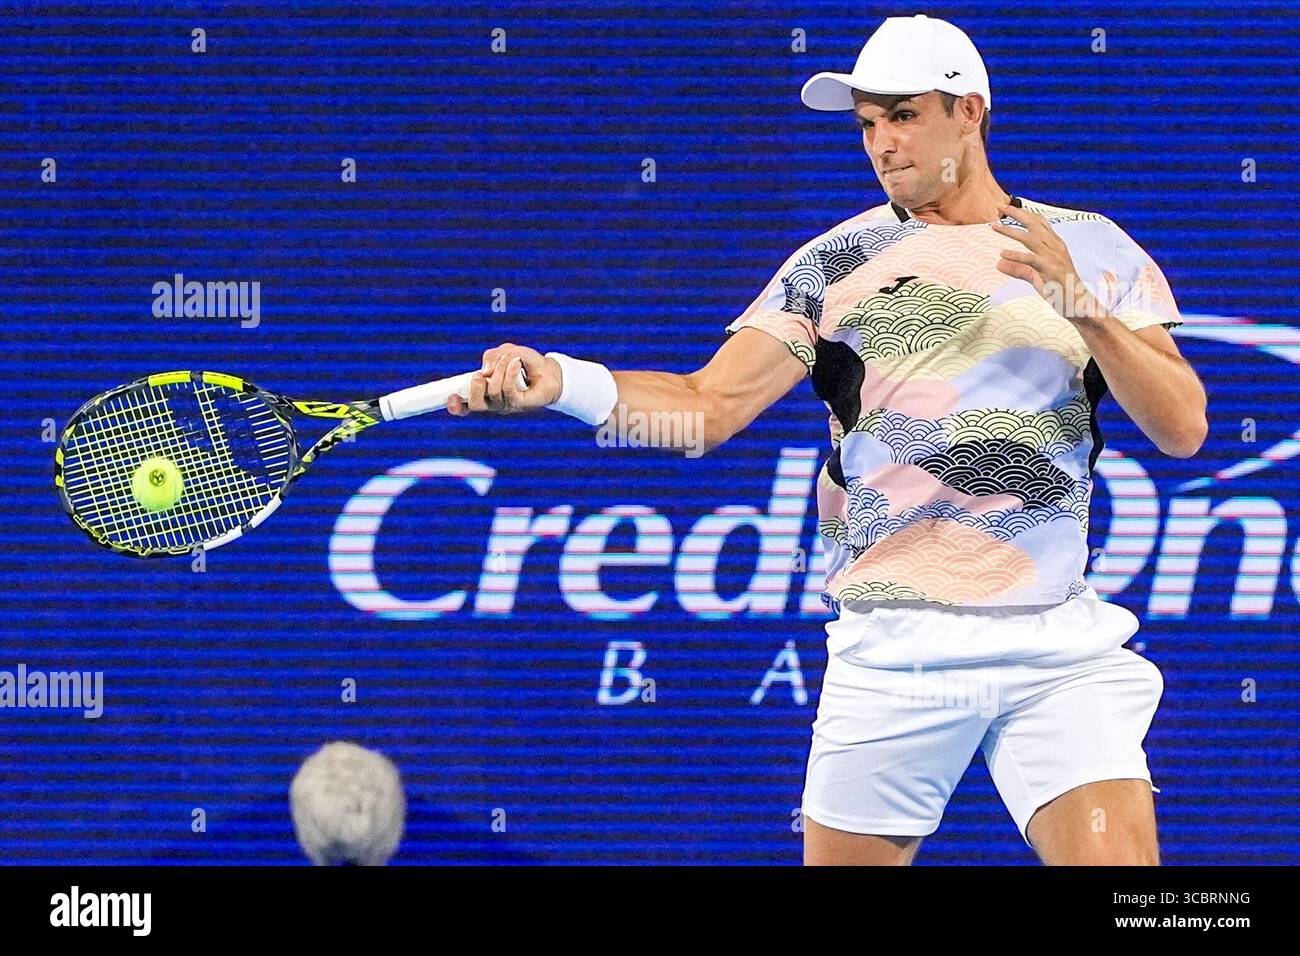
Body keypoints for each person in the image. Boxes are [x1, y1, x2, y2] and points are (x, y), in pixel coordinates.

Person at [447, 14, 1207, 865]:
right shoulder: (833, 263)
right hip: (892, 652)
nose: (882, 143)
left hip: (1056, 648)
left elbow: (1182, 428)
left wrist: (1083, 308)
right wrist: (563, 384)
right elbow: (706, 409)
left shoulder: (1091, 247)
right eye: (867, 124)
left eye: (904, 116)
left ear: (971, 111)